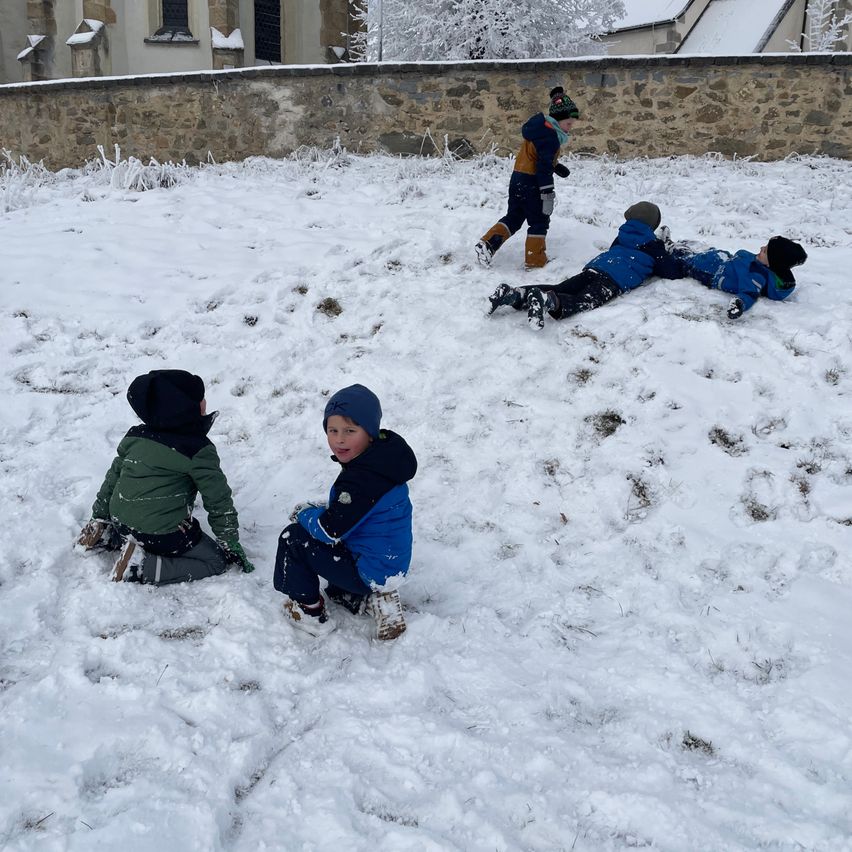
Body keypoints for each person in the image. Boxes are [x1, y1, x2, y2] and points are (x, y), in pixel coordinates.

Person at [77, 369, 255, 583]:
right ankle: (141, 567)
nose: (205, 402)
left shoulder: (135, 436)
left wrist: (100, 515)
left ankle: (108, 533)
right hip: (161, 535)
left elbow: (112, 479)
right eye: (201, 398)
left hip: (119, 520)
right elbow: (218, 499)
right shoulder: (197, 449)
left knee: (132, 520)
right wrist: (229, 543)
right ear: (186, 407)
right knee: (215, 561)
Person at [273, 384, 417, 640]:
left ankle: (309, 612)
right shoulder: (384, 462)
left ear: (370, 433)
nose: (339, 439)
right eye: (333, 430)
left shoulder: (361, 480)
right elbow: (356, 512)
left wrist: (304, 514)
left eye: (350, 431)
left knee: (294, 538)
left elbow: (330, 530)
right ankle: (365, 599)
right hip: (389, 564)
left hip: (367, 568)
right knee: (338, 558)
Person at [488, 201, 683, 329]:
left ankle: (514, 294)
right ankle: (548, 301)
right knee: (584, 299)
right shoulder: (653, 246)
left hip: (595, 268)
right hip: (613, 280)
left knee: (562, 287)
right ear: (652, 225)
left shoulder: (622, 236)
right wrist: (668, 251)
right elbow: (671, 272)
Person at [476, 86, 579, 269]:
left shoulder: (539, 129)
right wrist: (547, 193)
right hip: (533, 183)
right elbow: (542, 166)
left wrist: (556, 166)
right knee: (539, 220)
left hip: (518, 179)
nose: (570, 128)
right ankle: (535, 260)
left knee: (514, 217)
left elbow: (537, 157)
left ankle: (487, 244)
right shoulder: (550, 137)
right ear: (558, 119)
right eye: (569, 124)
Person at [670, 235, 807, 318]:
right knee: (703, 253)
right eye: (765, 246)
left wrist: (739, 304)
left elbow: (749, 293)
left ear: (774, 263)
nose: (761, 248)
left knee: (687, 261)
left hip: (712, 272)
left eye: (765, 251)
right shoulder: (764, 265)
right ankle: (679, 247)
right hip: (724, 261)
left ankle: (669, 249)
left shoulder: (757, 276)